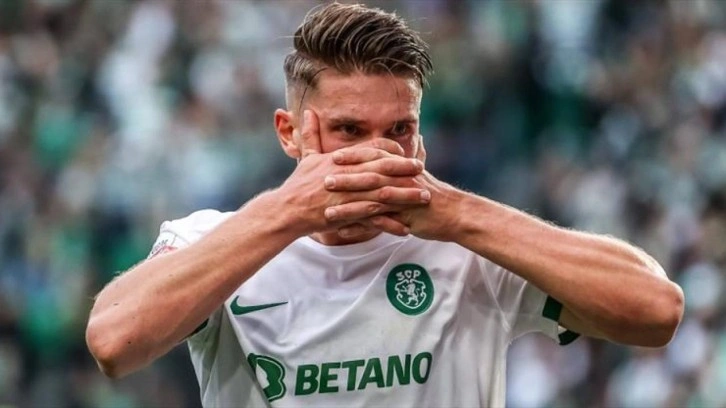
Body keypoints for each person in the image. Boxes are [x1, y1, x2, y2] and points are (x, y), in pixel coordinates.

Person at [85, 3, 685, 406]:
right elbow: (113, 343)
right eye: (348, 130)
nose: (377, 153)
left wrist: (458, 214)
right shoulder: (212, 242)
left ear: (421, 134)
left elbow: (657, 310)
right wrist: (287, 212)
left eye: (399, 130)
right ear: (290, 133)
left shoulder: (472, 247)